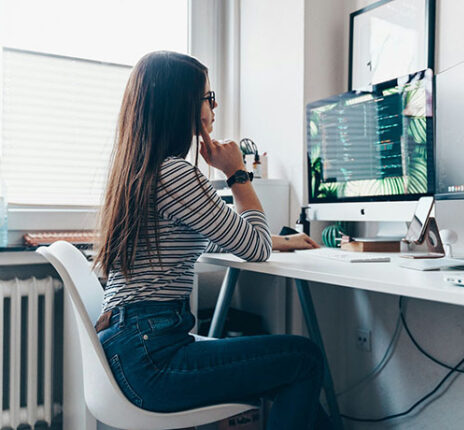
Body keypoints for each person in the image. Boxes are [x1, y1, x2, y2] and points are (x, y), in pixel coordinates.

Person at [94, 51, 330, 430]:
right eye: (208, 97)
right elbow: (254, 249)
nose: (215, 106)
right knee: (303, 359)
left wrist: (279, 240)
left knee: (292, 363)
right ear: (184, 102)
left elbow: (213, 236)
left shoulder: (141, 171)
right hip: (152, 358)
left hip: (130, 348)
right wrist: (237, 172)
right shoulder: (175, 174)